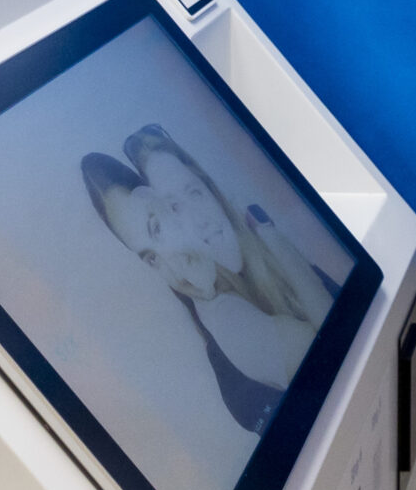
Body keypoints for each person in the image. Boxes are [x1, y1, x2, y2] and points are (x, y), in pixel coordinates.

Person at [82, 129, 334, 434]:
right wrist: (275, 240)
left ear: (212, 189)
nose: (173, 264)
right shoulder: (232, 326)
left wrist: (276, 245)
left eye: (193, 194)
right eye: (150, 257)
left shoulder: (266, 267)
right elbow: (339, 372)